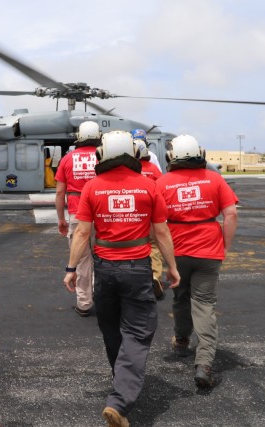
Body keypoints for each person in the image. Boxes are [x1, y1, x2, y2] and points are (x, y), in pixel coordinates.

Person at [63, 130, 180, 427]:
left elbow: (81, 233)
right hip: (137, 267)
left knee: (111, 327)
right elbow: (162, 232)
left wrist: (71, 268)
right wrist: (171, 267)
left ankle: (121, 379)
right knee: (139, 330)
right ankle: (120, 400)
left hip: (104, 268)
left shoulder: (92, 187)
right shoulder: (149, 186)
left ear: (101, 155)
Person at [155, 134, 238, 388]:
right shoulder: (214, 178)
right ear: (200, 154)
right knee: (204, 305)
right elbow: (231, 213)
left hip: (177, 251)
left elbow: (155, 222)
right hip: (209, 251)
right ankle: (204, 364)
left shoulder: (163, 182)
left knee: (180, 298)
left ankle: (181, 341)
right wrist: (224, 245)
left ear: (171, 157)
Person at [55, 121, 101, 317]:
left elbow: (59, 193)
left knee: (81, 260)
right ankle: (101, 294)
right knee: (103, 257)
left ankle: (84, 303)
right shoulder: (103, 157)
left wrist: (61, 219)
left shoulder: (67, 159)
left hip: (77, 215)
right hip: (102, 216)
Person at [133, 138, 165, 300]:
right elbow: (161, 189)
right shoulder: (153, 169)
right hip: (152, 215)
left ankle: (137, 278)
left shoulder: (131, 171)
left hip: (135, 216)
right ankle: (155, 276)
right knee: (154, 247)